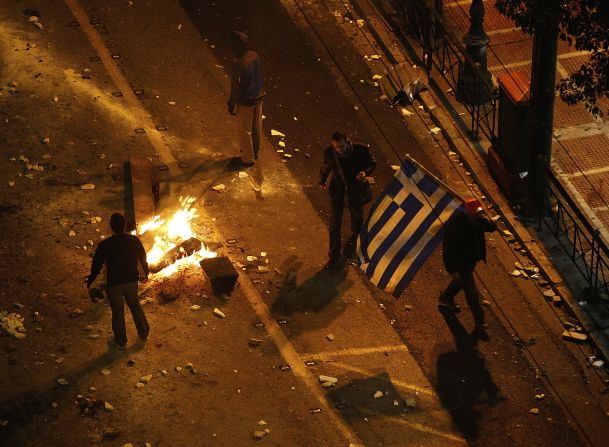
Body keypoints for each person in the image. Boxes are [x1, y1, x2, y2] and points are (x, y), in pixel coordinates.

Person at [86, 213, 150, 349]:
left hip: (114, 284)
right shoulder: (134, 240)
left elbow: (97, 265)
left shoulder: (105, 244)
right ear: (125, 225)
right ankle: (144, 332)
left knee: (118, 311)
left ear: (111, 227)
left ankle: (120, 341)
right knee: (135, 305)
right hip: (131, 281)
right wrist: (145, 274)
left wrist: (91, 281)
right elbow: (142, 258)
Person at [438, 198, 497, 339]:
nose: (477, 216)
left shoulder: (477, 219)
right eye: (475, 214)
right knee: (472, 294)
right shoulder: (457, 225)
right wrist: (451, 270)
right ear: (467, 213)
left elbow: (489, 227)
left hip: (470, 261)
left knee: (460, 281)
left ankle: (446, 297)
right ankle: (480, 322)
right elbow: (448, 250)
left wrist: (490, 222)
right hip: (461, 263)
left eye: (479, 214)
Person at [319, 131, 377, 269]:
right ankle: (334, 255)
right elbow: (326, 166)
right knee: (334, 224)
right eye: (337, 147)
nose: (339, 150)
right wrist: (322, 180)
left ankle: (356, 239)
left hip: (355, 190)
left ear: (347, 142)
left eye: (342, 147)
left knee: (357, 217)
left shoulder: (361, 150)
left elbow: (372, 163)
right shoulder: (330, 152)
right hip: (338, 190)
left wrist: (365, 172)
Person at [227, 30, 265, 168]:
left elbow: (236, 87)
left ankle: (248, 158)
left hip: (247, 101)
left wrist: (232, 103)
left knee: (245, 130)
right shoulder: (254, 55)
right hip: (259, 96)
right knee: (256, 127)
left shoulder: (239, 64)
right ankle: (255, 152)